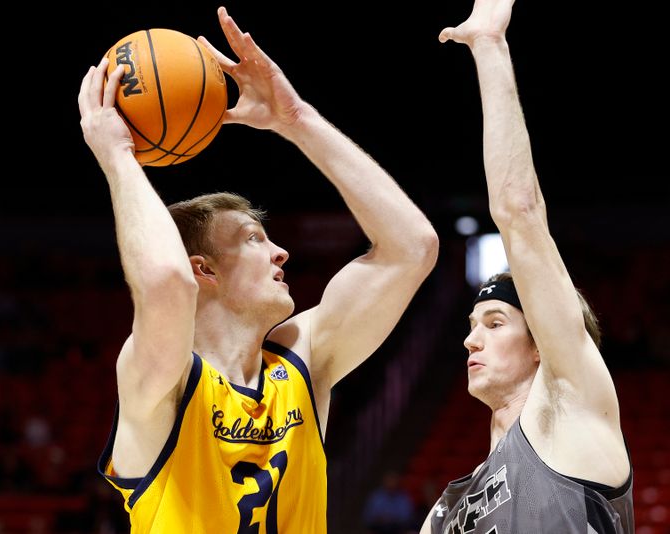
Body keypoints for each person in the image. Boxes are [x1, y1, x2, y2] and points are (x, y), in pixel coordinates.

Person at [78, 5, 439, 534]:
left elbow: (413, 246)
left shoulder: (301, 363)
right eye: (253, 239)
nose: (281, 253)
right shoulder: (160, 383)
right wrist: (118, 159)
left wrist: (299, 121)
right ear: (204, 269)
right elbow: (166, 283)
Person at [420, 1, 634, 533]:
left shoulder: (572, 411)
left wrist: (489, 46)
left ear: (541, 342)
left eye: (494, 323)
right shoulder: (445, 512)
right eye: (472, 328)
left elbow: (519, 214)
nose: (471, 341)